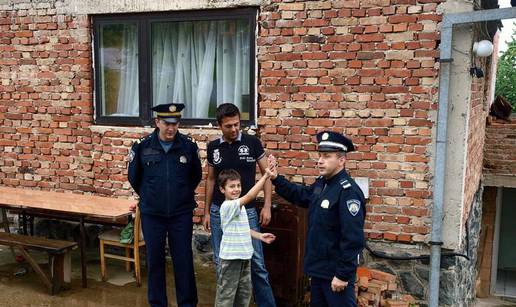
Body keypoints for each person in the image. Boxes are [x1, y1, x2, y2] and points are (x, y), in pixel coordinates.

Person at [267, 131, 366, 307]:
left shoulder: (348, 191)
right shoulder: (323, 183)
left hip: (335, 275)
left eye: (326, 156)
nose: (320, 160)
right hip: (319, 270)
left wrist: (343, 275)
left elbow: (353, 238)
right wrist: (276, 179)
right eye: (320, 156)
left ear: (341, 160)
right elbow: (302, 195)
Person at [128, 103, 202, 307]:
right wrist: (151, 196)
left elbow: (195, 176)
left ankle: (187, 303)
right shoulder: (142, 146)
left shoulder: (188, 146)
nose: (171, 128)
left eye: (175, 123)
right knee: (155, 261)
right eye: (166, 123)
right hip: (153, 214)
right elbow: (134, 178)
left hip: (181, 213)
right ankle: (157, 303)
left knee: (183, 261)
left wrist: (180, 195)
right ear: (157, 122)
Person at [203, 103, 276, 306]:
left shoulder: (253, 143)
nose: (234, 129)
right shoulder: (213, 147)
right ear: (220, 125)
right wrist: (206, 211)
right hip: (220, 213)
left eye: (237, 124)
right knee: (221, 262)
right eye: (229, 126)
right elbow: (210, 179)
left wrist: (267, 205)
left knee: (257, 264)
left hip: (248, 212)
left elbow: (266, 175)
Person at [215, 169, 276, 307]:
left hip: (244, 256)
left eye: (238, 185)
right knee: (226, 297)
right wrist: (265, 176)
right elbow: (250, 196)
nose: (236, 189)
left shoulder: (239, 206)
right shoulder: (228, 206)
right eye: (231, 186)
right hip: (231, 259)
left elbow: (243, 229)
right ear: (222, 189)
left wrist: (259, 235)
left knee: (243, 296)